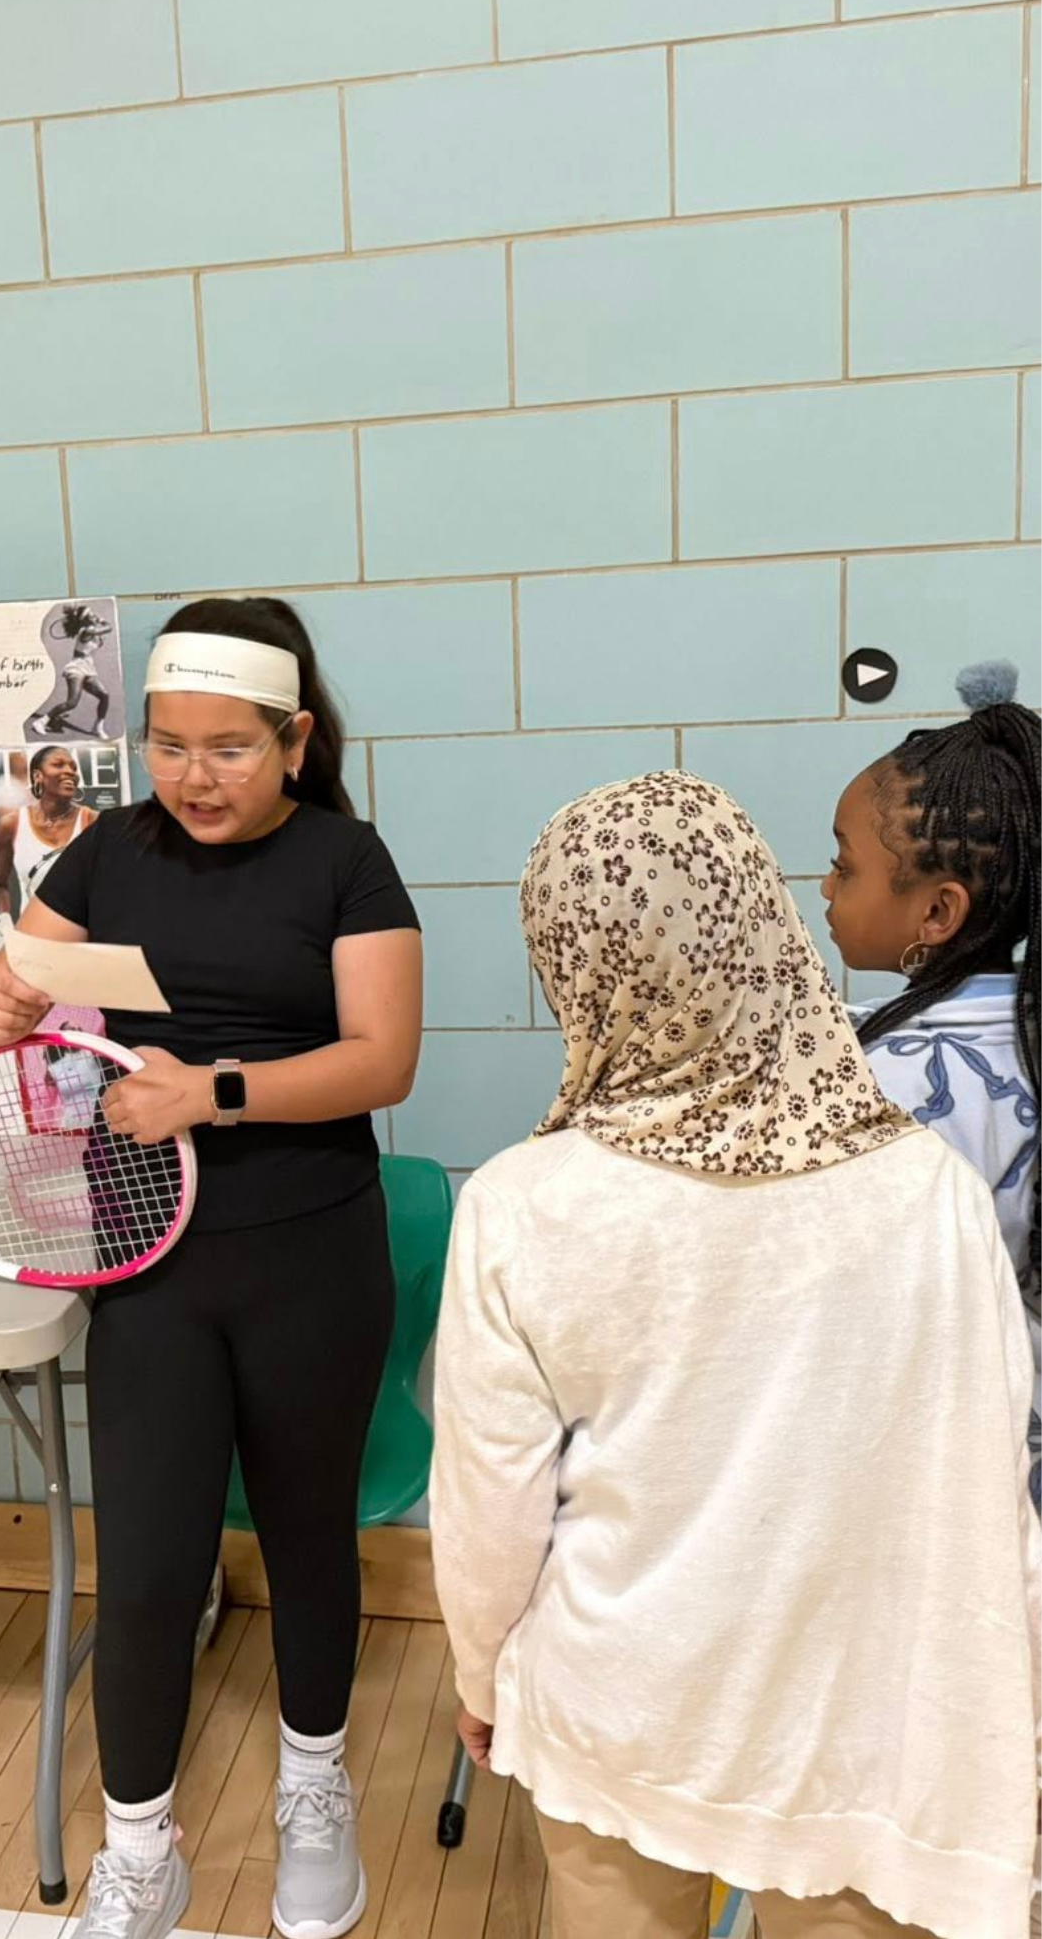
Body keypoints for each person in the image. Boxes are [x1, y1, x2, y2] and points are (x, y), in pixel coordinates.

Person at [430, 771, 1038, 1939]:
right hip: (865, 1736)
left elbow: (486, 1513)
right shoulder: (935, 1196)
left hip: (620, 1711)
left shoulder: (522, 1206)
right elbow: (986, 1495)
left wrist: (478, 1679)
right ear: (763, 927)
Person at [0, 597, 423, 1939]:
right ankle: (138, 1850)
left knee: (306, 1540)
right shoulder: (107, 850)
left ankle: (315, 1791)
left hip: (313, 1249)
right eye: (169, 744)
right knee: (152, 1566)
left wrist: (210, 1089)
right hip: (147, 1252)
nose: (194, 775)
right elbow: (15, 994)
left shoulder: (349, 859)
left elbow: (381, 1058)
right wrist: (1, 1001)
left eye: (228, 747)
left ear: (294, 737)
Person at [823, 660, 1040, 1506]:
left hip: (924, 1480)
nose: (827, 889)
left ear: (936, 912)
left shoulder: (863, 1073)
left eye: (844, 866)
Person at [0, 747, 99, 917]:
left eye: (73, 767)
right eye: (58, 765)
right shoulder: (11, 824)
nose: (69, 771)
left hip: (84, 937)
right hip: (33, 938)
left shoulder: (92, 820)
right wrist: (4, 920)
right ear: (37, 776)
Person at [33, 604, 115, 739]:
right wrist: (102, 621)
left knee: (104, 695)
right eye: (91, 615)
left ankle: (98, 727)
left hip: (88, 668)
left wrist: (98, 622)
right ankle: (41, 721)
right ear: (86, 620)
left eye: (93, 614)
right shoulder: (86, 631)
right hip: (76, 668)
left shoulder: (93, 631)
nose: (94, 616)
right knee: (72, 703)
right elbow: (109, 628)